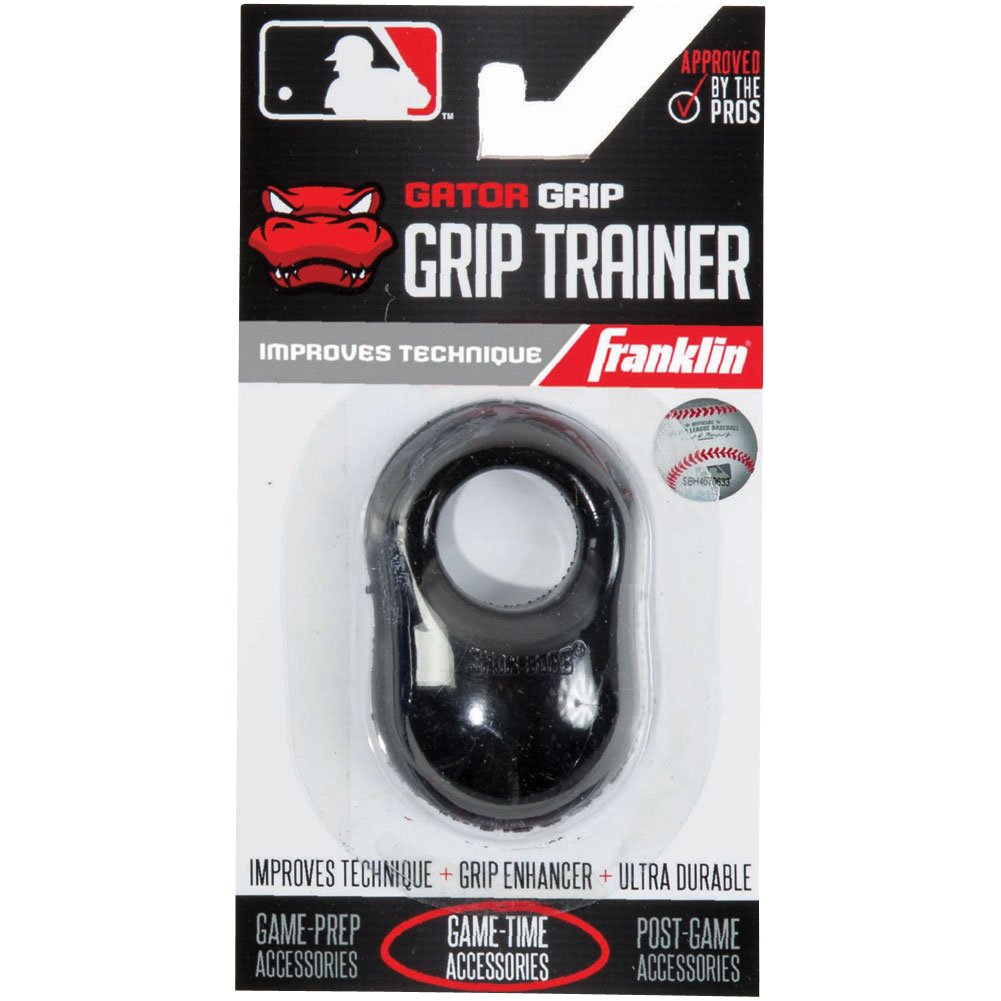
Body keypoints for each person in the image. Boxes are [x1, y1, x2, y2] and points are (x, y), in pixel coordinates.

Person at [324, 35, 430, 119]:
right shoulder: (337, 86)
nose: (336, 68)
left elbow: (421, 101)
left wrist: (411, 84)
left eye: (342, 62)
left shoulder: (390, 77)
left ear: (357, 61)